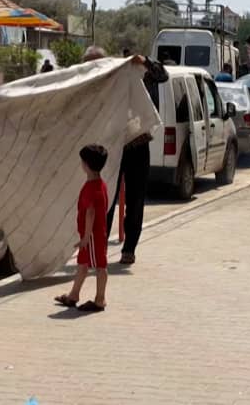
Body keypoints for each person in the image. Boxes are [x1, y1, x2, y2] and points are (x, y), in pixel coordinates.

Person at [105, 52, 168, 265]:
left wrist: (145, 61)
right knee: (107, 199)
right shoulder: (105, 76)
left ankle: (129, 249)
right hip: (112, 145)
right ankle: (99, 248)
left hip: (138, 144)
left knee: (136, 198)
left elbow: (162, 75)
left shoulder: (141, 73)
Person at [55, 144, 109, 312]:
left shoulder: (91, 188)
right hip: (94, 234)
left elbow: (90, 213)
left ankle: (100, 300)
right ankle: (73, 295)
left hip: (92, 236)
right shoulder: (100, 184)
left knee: (100, 265)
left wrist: (86, 237)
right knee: (83, 264)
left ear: (86, 165)